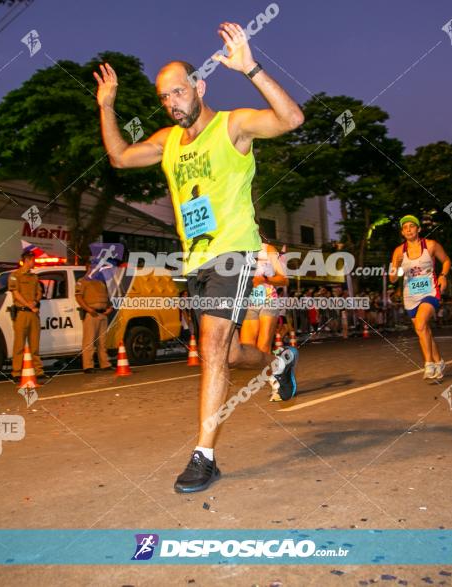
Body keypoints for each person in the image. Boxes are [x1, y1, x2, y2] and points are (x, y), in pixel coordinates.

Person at [94, 21, 304, 493]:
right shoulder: (168, 142)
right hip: (196, 263)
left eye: (178, 92)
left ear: (199, 86)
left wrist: (250, 67)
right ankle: (277, 362)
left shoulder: (234, 125)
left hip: (235, 253)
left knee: (209, 349)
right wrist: (106, 108)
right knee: (227, 351)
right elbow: (120, 157)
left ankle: (204, 456)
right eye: (164, 98)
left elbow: (292, 119)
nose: (172, 103)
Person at [389, 215, 452, 380]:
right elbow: (392, 279)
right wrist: (395, 265)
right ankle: (439, 361)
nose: (409, 229)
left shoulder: (430, 245)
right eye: (405, 227)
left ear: (418, 229)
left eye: (412, 226)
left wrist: (443, 275)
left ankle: (428, 363)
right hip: (410, 296)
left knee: (421, 324)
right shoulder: (398, 251)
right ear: (402, 232)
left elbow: (446, 261)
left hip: (430, 291)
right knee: (424, 331)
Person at [240, 242, 288, 401]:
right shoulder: (238, 249)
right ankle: (282, 366)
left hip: (268, 300)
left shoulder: (268, 249)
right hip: (248, 303)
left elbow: (283, 279)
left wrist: (265, 279)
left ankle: (277, 384)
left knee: (263, 347)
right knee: (247, 349)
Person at [8, 250, 45, 382]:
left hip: (33, 313)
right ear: (27, 260)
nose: (34, 262)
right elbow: (15, 293)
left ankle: (38, 371)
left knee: (35, 344)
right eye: (33, 260)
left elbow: (39, 293)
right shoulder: (15, 275)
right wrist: (29, 305)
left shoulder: (34, 277)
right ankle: (16, 372)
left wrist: (35, 302)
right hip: (22, 313)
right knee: (19, 345)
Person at [75, 271, 113, 373]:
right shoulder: (83, 281)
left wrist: (110, 308)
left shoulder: (101, 282)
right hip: (91, 314)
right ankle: (88, 366)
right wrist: (88, 309)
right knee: (89, 341)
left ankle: (105, 364)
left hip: (103, 314)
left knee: (102, 342)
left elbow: (108, 298)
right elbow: (78, 297)